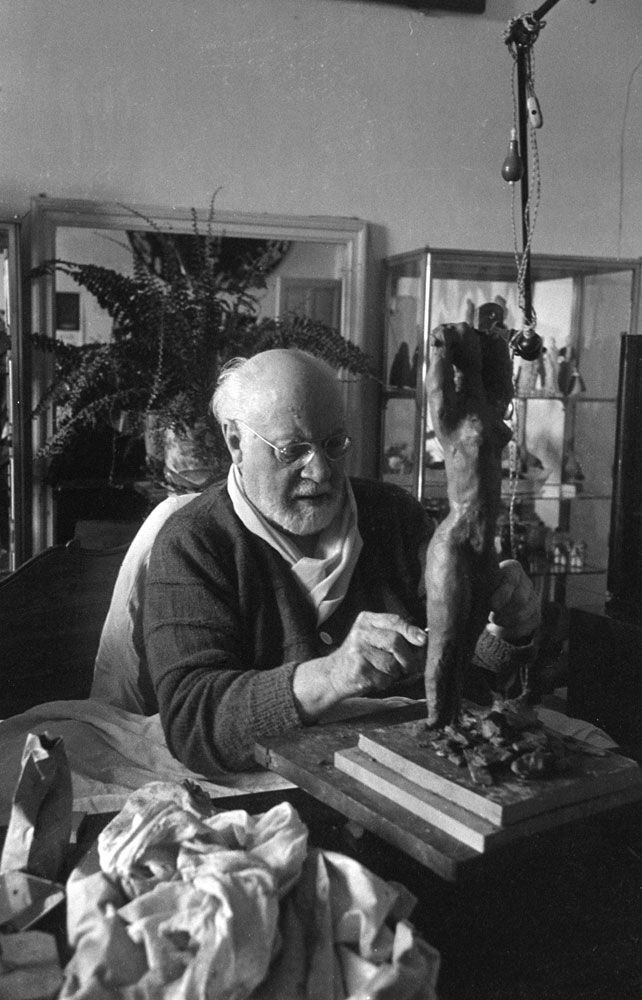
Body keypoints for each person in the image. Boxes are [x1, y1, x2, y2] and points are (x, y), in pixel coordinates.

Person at [143, 349, 539, 775]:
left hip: (408, 766)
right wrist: (333, 675)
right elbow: (192, 723)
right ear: (236, 443)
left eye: (334, 444)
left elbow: (463, 684)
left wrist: (503, 629)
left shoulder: (395, 515)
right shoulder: (193, 542)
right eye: (292, 450)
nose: (321, 471)